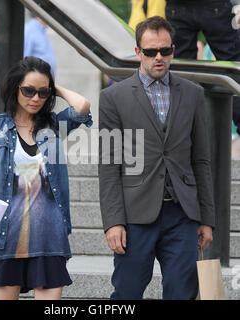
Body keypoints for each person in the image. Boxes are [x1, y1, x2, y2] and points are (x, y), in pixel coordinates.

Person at [98, 16, 215, 300]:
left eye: (165, 50)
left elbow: (201, 159)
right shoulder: (114, 97)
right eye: (151, 51)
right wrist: (113, 221)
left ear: (173, 49)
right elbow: (109, 164)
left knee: (181, 293)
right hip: (135, 216)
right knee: (127, 292)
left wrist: (206, 218)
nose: (159, 57)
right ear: (138, 53)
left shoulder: (193, 94)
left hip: (182, 214)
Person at [0, 56, 92, 300]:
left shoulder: (52, 126)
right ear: (15, 88)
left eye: (43, 93)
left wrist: (54, 87)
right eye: (28, 90)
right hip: (6, 237)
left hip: (49, 238)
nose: (36, 98)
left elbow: (82, 106)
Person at [165, 0, 240, 158]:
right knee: (233, 70)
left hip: (177, 6)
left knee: (181, 75)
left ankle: (180, 147)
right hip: (215, 5)